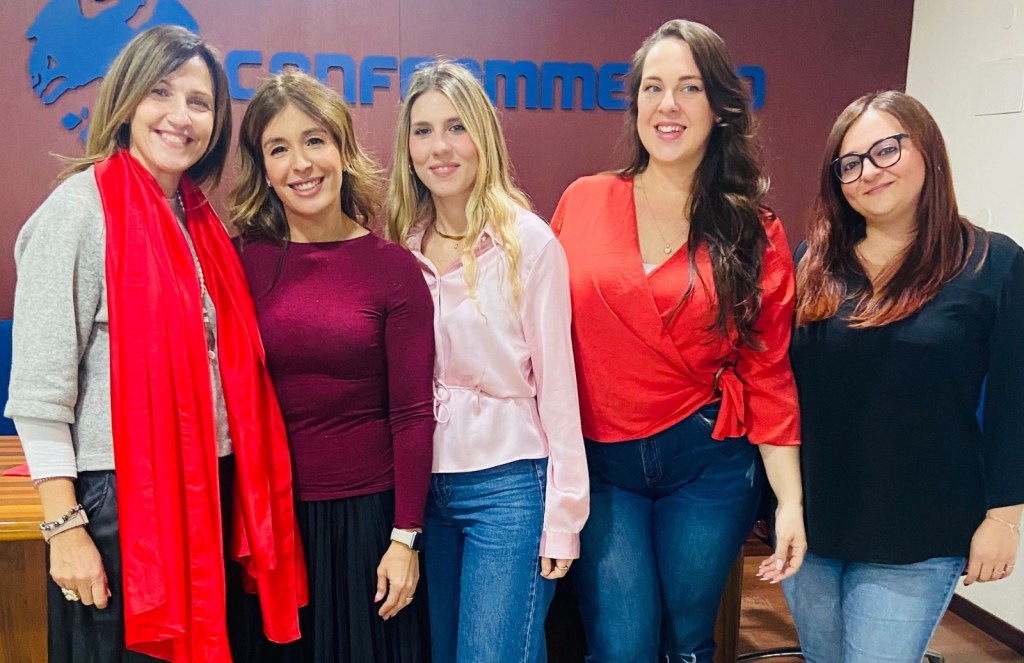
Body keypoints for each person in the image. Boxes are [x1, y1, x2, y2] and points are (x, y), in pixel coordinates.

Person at [4, 26, 307, 663]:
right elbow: (39, 393)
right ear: (126, 100)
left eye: (200, 102)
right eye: (161, 93)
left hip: (209, 488)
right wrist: (64, 530)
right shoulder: (78, 212)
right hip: (122, 505)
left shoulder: (198, 218)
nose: (180, 116)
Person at [551, 19, 806, 662]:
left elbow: (768, 371)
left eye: (689, 87)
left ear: (720, 108)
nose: (668, 105)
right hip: (602, 464)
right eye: (653, 87)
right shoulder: (584, 200)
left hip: (708, 462)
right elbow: (541, 338)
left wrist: (789, 502)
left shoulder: (753, 228)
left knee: (687, 641)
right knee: (620, 645)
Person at [782, 90, 1024, 663]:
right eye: (849, 163)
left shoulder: (992, 263)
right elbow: (784, 390)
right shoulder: (813, 262)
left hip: (921, 527)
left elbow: (1015, 400)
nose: (869, 172)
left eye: (886, 150)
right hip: (815, 522)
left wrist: (1005, 517)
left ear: (928, 152)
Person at [385, 60, 589, 663]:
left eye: (456, 127)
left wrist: (564, 517)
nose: (440, 147)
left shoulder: (529, 243)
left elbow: (558, 388)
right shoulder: (403, 247)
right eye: (423, 131)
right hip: (428, 491)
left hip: (509, 486)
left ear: (483, 137)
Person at [229, 72, 435, 663]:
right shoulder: (239, 261)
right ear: (263, 168)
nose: (301, 164)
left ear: (343, 148)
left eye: (315, 140)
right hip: (268, 524)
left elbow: (413, 415)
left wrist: (405, 538)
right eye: (279, 148)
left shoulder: (393, 269)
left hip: (369, 522)